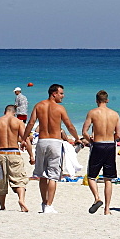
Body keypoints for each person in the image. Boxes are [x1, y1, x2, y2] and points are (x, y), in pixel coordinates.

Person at [21, 83, 81, 214]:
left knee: (42, 175)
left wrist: (23, 139)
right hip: (55, 142)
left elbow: (30, 124)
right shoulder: (59, 108)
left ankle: (44, 203)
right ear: (54, 93)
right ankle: (49, 205)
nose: (63, 96)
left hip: (42, 141)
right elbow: (69, 125)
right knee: (53, 175)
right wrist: (77, 138)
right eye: (61, 93)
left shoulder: (39, 105)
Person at [81, 90, 120, 215]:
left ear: (96, 100)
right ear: (107, 100)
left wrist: (90, 141)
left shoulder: (93, 113)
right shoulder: (115, 114)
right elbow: (118, 135)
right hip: (110, 145)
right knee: (108, 179)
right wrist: (111, 139)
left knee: (91, 176)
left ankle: (97, 198)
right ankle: (107, 209)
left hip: (98, 145)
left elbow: (84, 132)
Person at [0, 105, 30, 212]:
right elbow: (25, 139)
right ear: (14, 112)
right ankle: (21, 200)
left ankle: (2, 206)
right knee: (19, 179)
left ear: (5, 111)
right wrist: (31, 155)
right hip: (14, 152)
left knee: (0, 179)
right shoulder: (18, 122)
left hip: (1, 152)